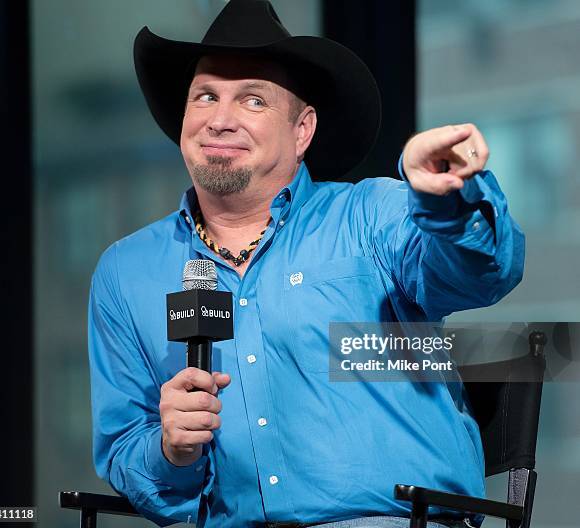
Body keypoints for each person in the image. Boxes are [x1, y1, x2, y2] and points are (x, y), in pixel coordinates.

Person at [88, 2, 524, 527]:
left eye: (252, 99)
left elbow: (479, 273)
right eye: (205, 96)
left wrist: (443, 201)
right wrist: (170, 450)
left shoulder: (371, 215)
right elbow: (125, 453)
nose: (220, 119)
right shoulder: (126, 272)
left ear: (302, 131)